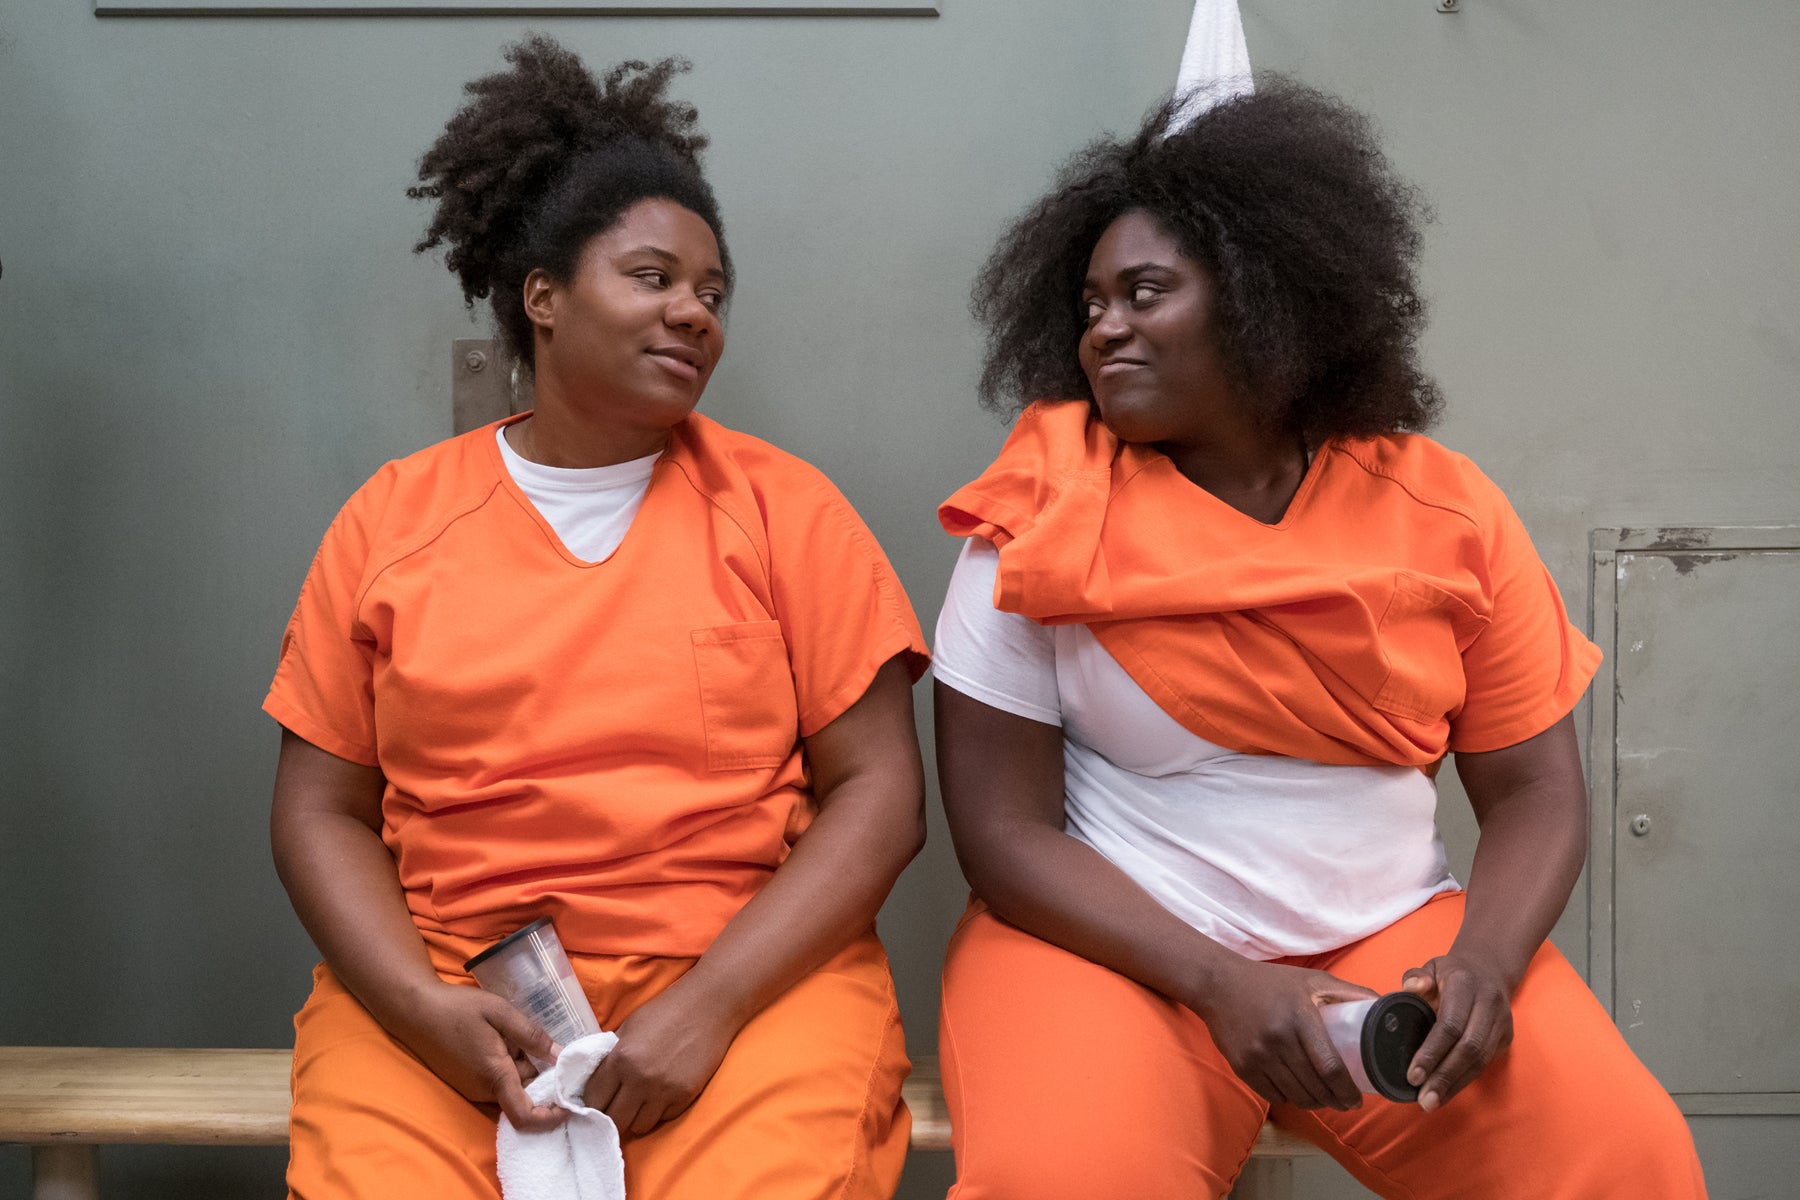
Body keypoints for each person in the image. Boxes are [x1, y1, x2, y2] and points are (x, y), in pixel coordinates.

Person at [931, 81, 1707, 1199]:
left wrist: (1484, 961)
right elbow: (1002, 834)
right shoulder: (1039, 513)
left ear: (1262, 297)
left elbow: (1535, 788)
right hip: (1122, 958)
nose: (1104, 325)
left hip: (1392, 949)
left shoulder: (1447, 510)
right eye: (1090, 302)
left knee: (1626, 1159)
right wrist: (1216, 978)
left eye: (1145, 292)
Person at [264, 38, 928, 1200]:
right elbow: (319, 810)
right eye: (655, 278)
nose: (695, 313)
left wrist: (710, 1006)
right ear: (543, 297)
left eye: (713, 294)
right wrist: (420, 1009)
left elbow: (880, 796)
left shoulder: (788, 513)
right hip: (446, 982)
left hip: (745, 982)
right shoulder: (393, 520)